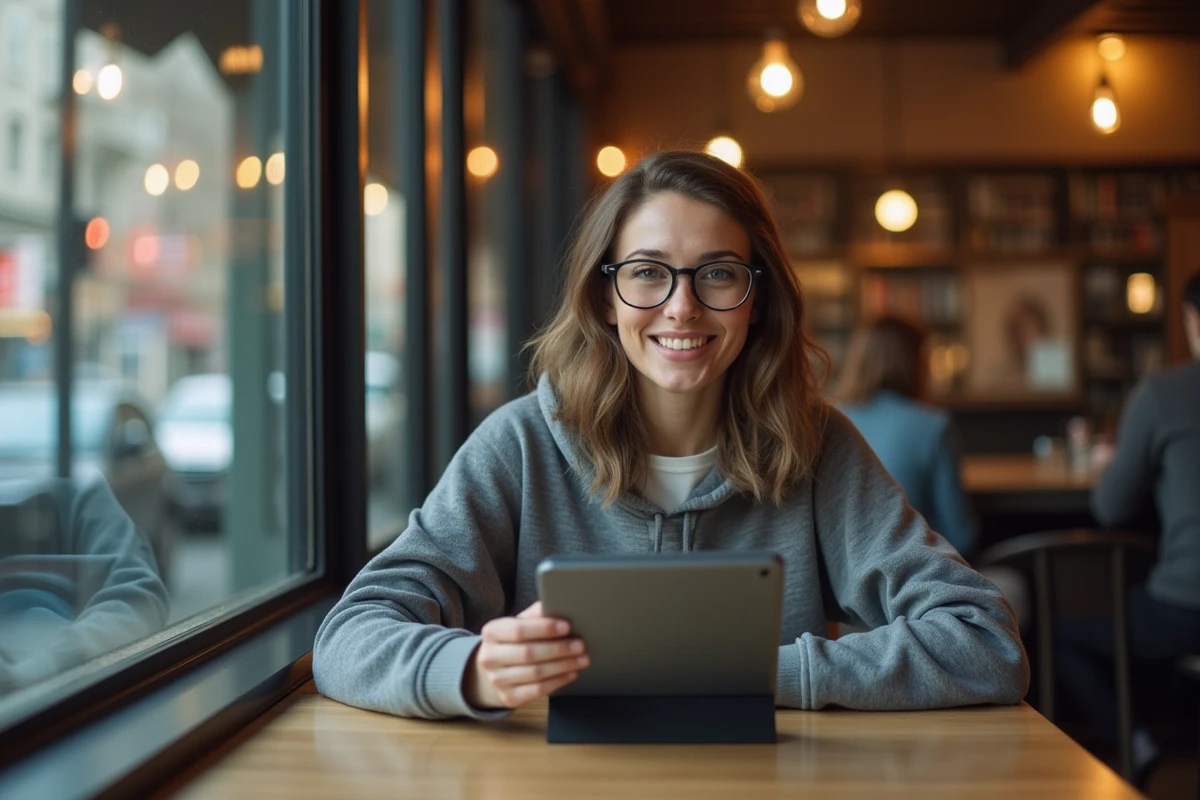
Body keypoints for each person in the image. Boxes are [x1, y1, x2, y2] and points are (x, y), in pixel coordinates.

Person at [313, 150, 1028, 720]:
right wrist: (468, 670)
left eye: (717, 274)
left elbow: (985, 643)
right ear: (604, 294)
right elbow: (348, 639)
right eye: (648, 273)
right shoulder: (522, 444)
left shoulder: (817, 446)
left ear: (757, 298)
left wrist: (754, 673)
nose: (681, 309)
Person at [1054, 269, 1200, 785]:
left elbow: (1110, 507)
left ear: (1190, 319)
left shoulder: (1165, 393)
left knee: (1058, 635)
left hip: (1187, 605)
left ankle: (1132, 743)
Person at [836, 316, 976, 557]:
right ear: (915, 362)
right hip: (914, 573)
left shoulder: (831, 421)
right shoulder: (933, 425)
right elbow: (961, 535)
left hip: (844, 579)